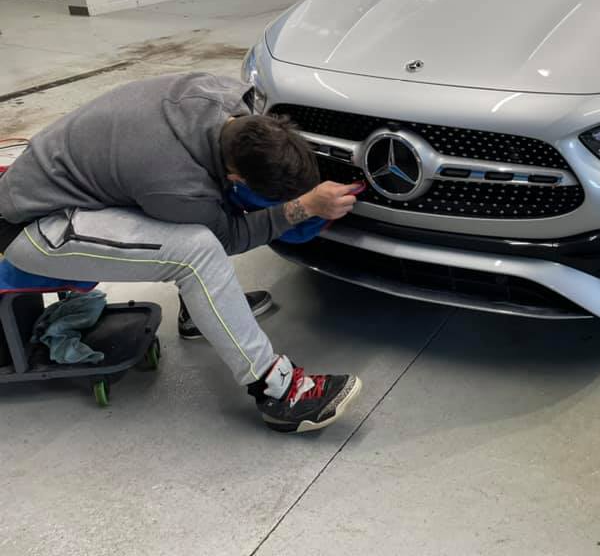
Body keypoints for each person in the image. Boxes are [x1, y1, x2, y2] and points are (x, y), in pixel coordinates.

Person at [0, 72, 362, 433]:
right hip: (34, 225)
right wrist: (302, 208)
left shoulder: (226, 97)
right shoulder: (173, 182)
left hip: (72, 183)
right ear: (238, 177)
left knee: (199, 225)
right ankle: (277, 392)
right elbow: (228, 237)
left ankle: (198, 311)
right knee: (197, 253)